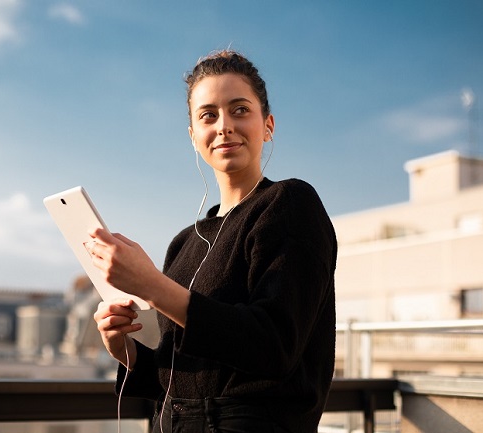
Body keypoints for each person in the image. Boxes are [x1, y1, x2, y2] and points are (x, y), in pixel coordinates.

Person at [88, 50, 337, 433]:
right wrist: (124, 350)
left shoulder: (289, 203)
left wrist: (152, 285)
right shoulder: (184, 242)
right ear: (193, 136)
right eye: (208, 115)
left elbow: (274, 345)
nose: (224, 126)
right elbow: (181, 376)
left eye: (240, 110)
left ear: (267, 125)